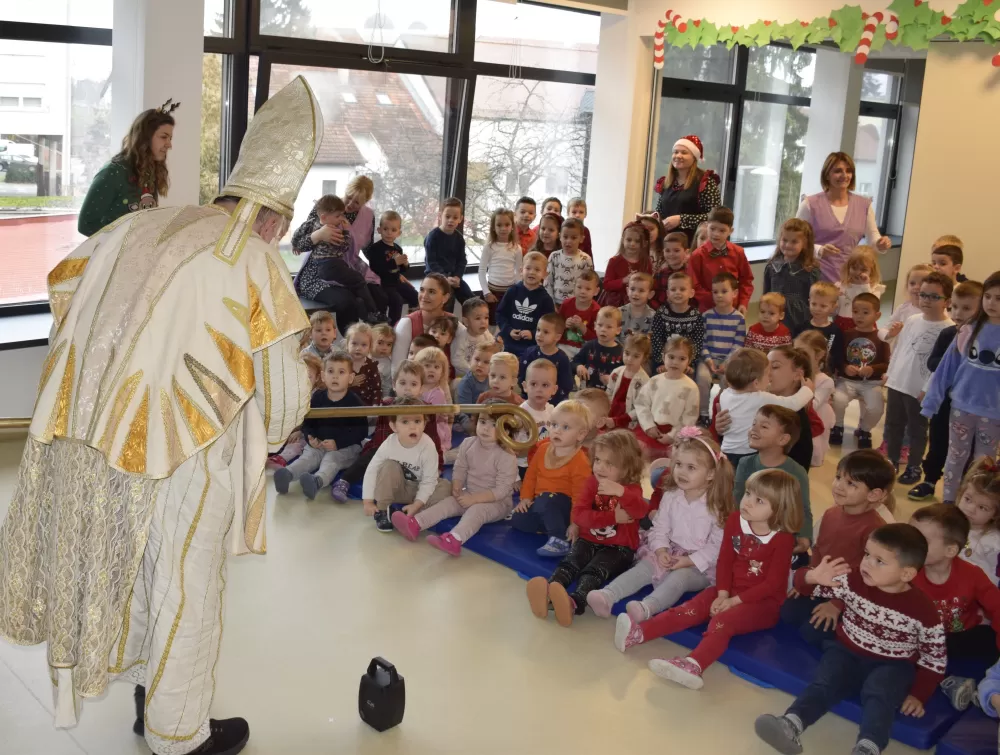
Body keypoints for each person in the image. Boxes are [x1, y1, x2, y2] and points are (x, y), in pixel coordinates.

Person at [0, 76, 322, 755]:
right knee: (189, 579)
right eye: (283, 227)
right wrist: (281, 417)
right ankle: (179, 729)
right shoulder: (254, 260)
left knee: (143, 562)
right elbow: (285, 393)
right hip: (194, 446)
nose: (279, 236)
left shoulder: (144, 222)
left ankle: (152, 688)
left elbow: (67, 285)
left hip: (108, 435)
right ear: (271, 217)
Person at [755, 524, 945, 755]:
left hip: (892, 665)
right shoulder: (853, 580)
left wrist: (918, 694)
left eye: (879, 561)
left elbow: (934, 657)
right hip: (846, 650)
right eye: (867, 554)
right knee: (824, 682)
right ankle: (791, 723)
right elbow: (805, 589)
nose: (866, 563)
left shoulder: (922, 609)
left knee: (880, 694)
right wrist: (814, 575)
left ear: (906, 573)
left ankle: (867, 748)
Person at [614, 469, 800, 690]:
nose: (747, 502)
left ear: (779, 508)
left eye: (758, 500)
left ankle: (694, 665)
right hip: (728, 590)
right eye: (748, 493)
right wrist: (722, 593)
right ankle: (639, 633)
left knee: (722, 622)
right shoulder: (735, 520)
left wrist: (733, 601)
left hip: (762, 602)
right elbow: (725, 561)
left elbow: (773, 584)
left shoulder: (783, 539)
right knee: (690, 608)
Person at [588, 428, 733, 621]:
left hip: (701, 565)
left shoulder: (717, 507)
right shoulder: (671, 496)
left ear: (710, 474)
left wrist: (688, 561)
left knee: (679, 578)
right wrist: (661, 550)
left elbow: (717, 548)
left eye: (691, 468)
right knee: (645, 567)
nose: (681, 471)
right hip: (671, 551)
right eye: (678, 464)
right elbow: (660, 528)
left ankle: (647, 608)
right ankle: (607, 595)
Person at [526, 430, 649, 626]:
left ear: (626, 469)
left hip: (619, 548)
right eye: (598, 460)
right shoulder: (592, 483)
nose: (600, 467)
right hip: (588, 539)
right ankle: (550, 591)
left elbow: (641, 510)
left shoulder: (631, 489)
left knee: (594, 571)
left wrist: (621, 492)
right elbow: (579, 515)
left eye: (609, 464)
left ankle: (575, 602)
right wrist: (612, 517)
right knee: (571, 561)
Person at [780, 450, 896, 648]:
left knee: (812, 634)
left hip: (854, 596)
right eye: (838, 477)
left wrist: (837, 605)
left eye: (851, 483)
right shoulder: (831, 513)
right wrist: (808, 582)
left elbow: (870, 580)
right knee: (787, 614)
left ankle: (847, 636)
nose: (839, 486)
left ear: (874, 494)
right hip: (823, 585)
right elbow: (818, 552)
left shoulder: (876, 530)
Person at [392, 404, 519, 555]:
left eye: (494, 425)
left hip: (497, 503)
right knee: (448, 503)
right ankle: (415, 523)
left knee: (476, 511)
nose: (485, 428)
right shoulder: (468, 443)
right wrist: (457, 485)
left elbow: (502, 490)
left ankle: (454, 540)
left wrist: (474, 499)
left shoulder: (506, 455)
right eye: (483, 422)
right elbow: (460, 468)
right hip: (469, 494)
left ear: (507, 431)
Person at [922, 271, 1000, 502]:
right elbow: (945, 369)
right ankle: (949, 502)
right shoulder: (967, 330)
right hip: (961, 407)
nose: (992, 303)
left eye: (999, 298)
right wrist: (931, 403)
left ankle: (977, 504)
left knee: (984, 463)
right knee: (955, 457)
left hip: (992, 413)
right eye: (988, 296)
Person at [909, 280, 982, 501]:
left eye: (967, 308)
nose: (959, 313)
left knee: (969, 448)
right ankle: (930, 480)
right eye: (955, 307)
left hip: (972, 405)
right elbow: (932, 363)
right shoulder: (948, 333)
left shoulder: (985, 339)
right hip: (945, 402)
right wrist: (953, 359)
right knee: (939, 441)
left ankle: (966, 488)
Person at [335, 361, 443, 504]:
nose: (407, 389)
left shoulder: (427, 410)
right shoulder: (387, 407)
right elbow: (381, 438)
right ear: (394, 384)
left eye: (413, 384)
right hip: (390, 453)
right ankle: (345, 480)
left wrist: (439, 465)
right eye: (403, 383)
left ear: (421, 388)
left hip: (414, 455)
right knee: (372, 455)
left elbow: (434, 441)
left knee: (431, 478)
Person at [910, 505, 1000, 673]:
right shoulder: (907, 570)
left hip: (961, 636)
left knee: (987, 638)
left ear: (950, 550)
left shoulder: (972, 574)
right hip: (921, 636)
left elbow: (997, 606)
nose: (910, 544)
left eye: (921, 540)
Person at [886, 272, 954, 484]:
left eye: (934, 297)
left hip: (918, 390)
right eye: (923, 295)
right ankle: (891, 462)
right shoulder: (913, 320)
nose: (926, 300)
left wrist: (928, 389)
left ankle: (914, 467)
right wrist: (890, 372)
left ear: (948, 302)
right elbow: (899, 349)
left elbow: (940, 367)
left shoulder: (949, 329)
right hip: (897, 383)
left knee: (917, 430)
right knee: (893, 426)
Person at [273, 352, 367, 499]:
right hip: (319, 444)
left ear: (350, 378)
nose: (335, 376)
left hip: (345, 447)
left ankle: (317, 481)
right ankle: (287, 474)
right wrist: (311, 437)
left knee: (331, 460)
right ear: (323, 376)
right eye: (330, 371)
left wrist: (338, 443)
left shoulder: (354, 402)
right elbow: (308, 423)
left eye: (341, 372)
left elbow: (361, 431)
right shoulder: (317, 397)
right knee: (307, 457)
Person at [77, 101, 177, 236]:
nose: (169, 145)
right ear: (144, 137)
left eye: (170, 138)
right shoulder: (113, 173)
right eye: (163, 137)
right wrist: (123, 242)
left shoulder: (149, 172)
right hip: (112, 256)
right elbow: (86, 224)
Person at [511, 399, 593, 558]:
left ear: (581, 434)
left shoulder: (580, 461)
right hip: (542, 504)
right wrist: (526, 498)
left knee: (546, 500)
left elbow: (581, 497)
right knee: (518, 519)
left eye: (565, 427)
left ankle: (559, 540)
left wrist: (575, 523)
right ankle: (552, 527)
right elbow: (531, 477)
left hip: (564, 506)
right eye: (553, 425)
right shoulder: (542, 449)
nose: (557, 431)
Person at [796, 151, 892, 283]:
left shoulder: (864, 205)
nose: (844, 175)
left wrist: (881, 244)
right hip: (815, 276)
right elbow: (796, 241)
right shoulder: (809, 204)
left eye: (848, 171)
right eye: (838, 171)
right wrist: (819, 250)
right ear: (827, 175)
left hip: (852, 276)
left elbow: (873, 238)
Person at [733, 405, 813, 559]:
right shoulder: (745, 463)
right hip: (748, 531)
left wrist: (805, 535)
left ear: (783, 439)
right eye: (753, 424)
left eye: (764, 426)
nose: (754, 429)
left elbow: (802, 508)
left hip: (780, 534)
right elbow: (736, 500)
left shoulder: (796, 471)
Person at [361, 397, 451, 532]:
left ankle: (408, 512)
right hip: (398, 488)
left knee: (445, 487)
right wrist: (367, 501)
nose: (413, 426)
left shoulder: (428, 446)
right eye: (405, 422)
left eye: (417, 421)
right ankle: (383, 511)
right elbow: (372, 470)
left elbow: (429, 481)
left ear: (424, 424)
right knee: (388, 466)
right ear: (393, 426)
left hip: (419, 489)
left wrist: (417, 504)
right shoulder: (389, 444)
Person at [292, 195, 383, 324]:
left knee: (358, 295)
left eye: (357, 201)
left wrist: (346, 233)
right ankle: (351, 339)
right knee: (345, 301)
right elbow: (298, 244)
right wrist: (317, 236)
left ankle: (357, 334)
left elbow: (347, 247)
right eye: (349, 197)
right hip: (313, 278)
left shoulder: (342, 221)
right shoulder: (321, 212)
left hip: (335, 272)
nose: (350, 204)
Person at [716, 349, 813, 468]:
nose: (769, 375)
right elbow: (794, 403)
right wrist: (808, 390)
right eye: (766, 371)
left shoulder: (725, 394)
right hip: (747, 455)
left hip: (726, 454)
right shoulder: (760, 398)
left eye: (775, 366)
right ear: (756, 382)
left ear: (798, 375)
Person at [829, 292, 889, 450]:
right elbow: (837, 358)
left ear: (877, 315)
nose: (859, 316)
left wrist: (873, 368)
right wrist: (844, 367)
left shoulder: (881, 337)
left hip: (872, 383)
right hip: (847, 381)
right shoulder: (846, 334)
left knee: (876, 408)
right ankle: (838, 427)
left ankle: (864, 430)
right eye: (855, 312)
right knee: (838, 400)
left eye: (865, 312)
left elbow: (887, 363)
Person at [634, 335, 699, 459]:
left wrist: (672, 436)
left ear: (688, 361)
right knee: (638, 450)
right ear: (663, 357)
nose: (675, 362)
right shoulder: (654, 381)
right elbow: (641, 404)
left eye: (682, 358)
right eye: (671, 357)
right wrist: (649, 426)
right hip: (650, 430)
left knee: (674, 457)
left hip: (674, 433)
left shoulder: (691, 387)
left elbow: (690, 417)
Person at [390, 273, 468, 374]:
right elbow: (397, 368)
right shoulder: (406, 324)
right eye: (422, 290)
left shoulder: (453, 322)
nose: (424, 296)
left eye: (431, 292)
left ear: (445, 298)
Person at [652, 134, 722, 246]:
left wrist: (681, 219)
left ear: (694, 157)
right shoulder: (667, 182)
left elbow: (715, 217)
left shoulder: (706, 182)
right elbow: (659, 212)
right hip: (668, 246)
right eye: (675, 152)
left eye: (684, 153)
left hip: (694, 245)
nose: (678, 156)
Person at [696, 272, 745, 424]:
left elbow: (738, 346)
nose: (719, 295)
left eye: (724, 291)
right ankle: (703, 413)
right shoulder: (706, 316)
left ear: (735, 293)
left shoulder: (739, 319)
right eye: (715, 292)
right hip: (708, 359)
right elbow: (702, 342)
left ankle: (722, 413)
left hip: (729, 362)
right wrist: (709, 360)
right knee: (702, 378)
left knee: (728, 382)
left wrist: (727, 363)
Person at [689, 206, 753, 314]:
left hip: (733, 309)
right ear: (707, 225)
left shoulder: (738, 253)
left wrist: (743, 302)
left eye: (722, 230)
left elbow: (746, 280)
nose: (716, 234)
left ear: (730, 231)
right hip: (707, 310)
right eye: (712, 229)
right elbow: (693, 284)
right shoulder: (697, 255)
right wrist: (715, 298)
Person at [763, 218, 819, 336]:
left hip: (799, 316)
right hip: (774, 312)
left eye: (794, 242)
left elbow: (814, 298)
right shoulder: (772, 266)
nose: (788, 245)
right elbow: (766, 294)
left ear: (804, 244)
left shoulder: (809, 270)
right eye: (785, 240)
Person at [496, 252, 555, 360]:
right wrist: (508, 330)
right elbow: (500, 314)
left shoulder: (546, 299)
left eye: (537, 270)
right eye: (528, 268)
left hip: (532, 346)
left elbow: (549, 325)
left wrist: (532, 333)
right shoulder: (512, 291)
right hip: (508, 341)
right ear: (521, 270)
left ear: (545, 274)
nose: (532, 272)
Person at [364, 210, 419, 324]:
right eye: (385, 229)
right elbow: (376, 268)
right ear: (379, 230)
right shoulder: (375, 249)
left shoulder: (398, 248)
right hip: (383, 284)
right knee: (397, 300)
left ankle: (412, 320)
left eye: (393, 230)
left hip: (396, 281)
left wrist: (405, 265)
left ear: (399, 233)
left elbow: (401, 270)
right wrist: (394, 263)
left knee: (415, 295)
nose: (389, 233)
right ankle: (393, 327)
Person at [955, 457, 1000, 585]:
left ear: (995, 514)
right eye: (968, 499)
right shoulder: (948, 524)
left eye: (982, 507)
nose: (970, 509)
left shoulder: (994, 543)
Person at [649, 271, 705, 374]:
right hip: (663, 361)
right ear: (668, 294)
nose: (677, 292)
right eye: (673, 289)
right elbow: (656, 339)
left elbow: (697, 343)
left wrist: (689, 364)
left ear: (691, 293)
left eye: (682, 289)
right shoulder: (661, 313)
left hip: (686, 362)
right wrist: (662, 362)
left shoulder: (696, 316)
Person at [794, 329, 836, 466]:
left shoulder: (825, 381)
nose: (797, 357)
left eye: (803, 353)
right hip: (796, 422)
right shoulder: (794, 374)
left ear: (819, 355)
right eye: (795, 351)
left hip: (814, 424)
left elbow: (813, 405)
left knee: (810, 457)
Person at [425, 197, 472, 306]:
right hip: (435, 277)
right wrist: (445, 278)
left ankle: (468, 322)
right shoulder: (433, 237)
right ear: (440, 216)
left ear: (460, 219)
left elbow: (462, 261)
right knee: (448, 300)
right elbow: (432, 263)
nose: (451, 220)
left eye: (455, 217)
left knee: (471, 300)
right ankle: (445, 323)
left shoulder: (459, 238)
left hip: (453, 278)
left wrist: (457, 277)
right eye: (447, 216)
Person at [478, 208, 522, 325]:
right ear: (493, 227)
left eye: (507, 224)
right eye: (499, 225)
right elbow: (482, 271)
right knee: (491, 324)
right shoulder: (489, 247)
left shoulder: (517, 248)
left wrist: (517, 292)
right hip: (492, 293)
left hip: (509, 293)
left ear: (512, 226)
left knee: (507, 323)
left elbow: (519, 272)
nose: (503, 228)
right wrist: (486, 292)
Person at [518, 313, 574, 404]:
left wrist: (551, 399)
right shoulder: (529, 353)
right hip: (529, 399)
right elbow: (521, 377)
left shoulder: (562, 358)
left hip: (553, 402)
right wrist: (528, 393)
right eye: (538, 330)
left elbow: (566, 385)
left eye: (546, 332)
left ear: (557, 337)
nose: (539, 334)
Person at [603, 334, 651, 430]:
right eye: (627, 353)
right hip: (611, 413)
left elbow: (640, 408)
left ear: (644, 358)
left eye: (636, 356)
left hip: (628, 420)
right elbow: (608, 393)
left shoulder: (645, 381)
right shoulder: (616, 372)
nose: (629, 359)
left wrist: (618, 420)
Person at [600, 222, 652, 308]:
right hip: (615, 304)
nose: (632, 244)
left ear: (645, 243)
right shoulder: (614, 261)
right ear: (623, 240)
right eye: (629, 240)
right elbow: (606, 284)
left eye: (637, 241)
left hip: (637, 302)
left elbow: (650, 283)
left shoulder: (646, 262)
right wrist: (623, 280)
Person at [545, 218, 594, 307]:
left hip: (576, 304)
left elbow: (589, 283)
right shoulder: (554, 256)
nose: (568, 241)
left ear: (581, 239)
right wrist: (551, 303)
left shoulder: (586, 259)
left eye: (573, 238)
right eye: (565, 237)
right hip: (556, 303)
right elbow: (548, 282)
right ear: (560, 237)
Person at [573, 306, 624, 389]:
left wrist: (613, 380)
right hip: (587, 391)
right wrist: (579, 366)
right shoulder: (589, 346)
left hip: (609, 395)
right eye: (600, 325)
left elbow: (625, 376)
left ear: (618, 330)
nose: (603, 329)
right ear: (595, 326)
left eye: (609, 327)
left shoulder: (622, 351)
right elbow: (574, 362)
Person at [883, 263, 933, 344]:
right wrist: (890, 334)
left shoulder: (935, 312)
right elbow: (884, 330)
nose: (916, 287)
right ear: (907, 286)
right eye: (912, 283)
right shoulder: (902, 308)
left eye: (922, 283)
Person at [415, 346, 452, 453]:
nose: (432, 370)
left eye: (436, 367)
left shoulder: (437, 393)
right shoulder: (416, 387)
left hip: (434, 428)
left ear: (442, 372)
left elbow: (433, 418)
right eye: (427, 366)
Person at [835, 246, 885, 323]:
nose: (858, 272)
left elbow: (870, 304)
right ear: (848, 267)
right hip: (842, 322)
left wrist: (865, 285)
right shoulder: (840, 286)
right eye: (854, 268)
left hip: (864, 324)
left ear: (871, 271)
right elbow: (835, 309)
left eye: (863, 269)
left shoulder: (875, 288)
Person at [558, 270, 601, 357]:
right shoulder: (566, 304)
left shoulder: (597, 311)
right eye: (579, 287)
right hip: (564, 345)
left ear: (596, 291)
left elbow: (596, 338)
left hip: (585, 348)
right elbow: (556, 326)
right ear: (574, 287)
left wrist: (582, 327)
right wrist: (564, 325)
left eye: (588, 289)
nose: (582, 291)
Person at [455, 344, 494, 434]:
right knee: (472, 428)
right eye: (477, 360)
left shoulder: (492, 380)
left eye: (486, 362)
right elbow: (465, 408)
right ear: (470, 360)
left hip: (487, 412)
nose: (479, 364)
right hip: (468, 414)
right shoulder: (466, 382)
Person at [457, 297, 496, 376]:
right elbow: (457, 360)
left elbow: (493, 349)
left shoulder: (486, 334)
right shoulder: (461, 338)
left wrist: (499, 345)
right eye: (478, 318)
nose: (483, 322)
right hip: (465, 374)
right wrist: (472, 369)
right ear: (466, 321)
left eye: (486, 318)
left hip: (483, 372)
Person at [651, 231, 691, 310]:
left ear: (686, 252)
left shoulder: (690, 274)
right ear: (663, 252)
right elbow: (653, 296)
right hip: (663, 314)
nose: (671, 254)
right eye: (667, 251)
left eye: (676, 250)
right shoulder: (660, 274)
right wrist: (660, 310)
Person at [618, 272, 656, 344]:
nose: (635, 293)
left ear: (650, 294)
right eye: (632, 289)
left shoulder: (654, 317)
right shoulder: (618, 313)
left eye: (641, 290)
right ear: (627, 291)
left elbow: (653, 342)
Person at [371, 323, 396, 397]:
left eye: (389, 344)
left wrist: (385, 400)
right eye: (380, 343)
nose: (384, 348)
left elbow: (387, 387)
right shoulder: (364, 357)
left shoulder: (388, 364)